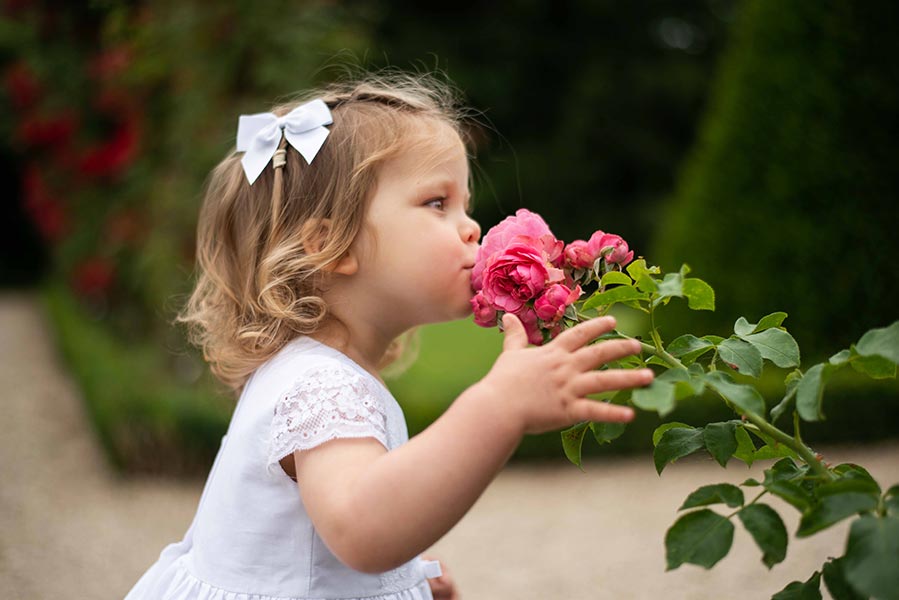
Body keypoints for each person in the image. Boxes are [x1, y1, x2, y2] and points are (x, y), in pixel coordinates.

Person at [124, 70, 654, 600]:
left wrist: (402, 575)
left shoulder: (312, 369)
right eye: (437, 203)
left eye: (464, 204)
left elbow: (329, 537)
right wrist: (501, 405)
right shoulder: (321, 384)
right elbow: (362, 530)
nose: (471, 227)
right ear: (332, 246)